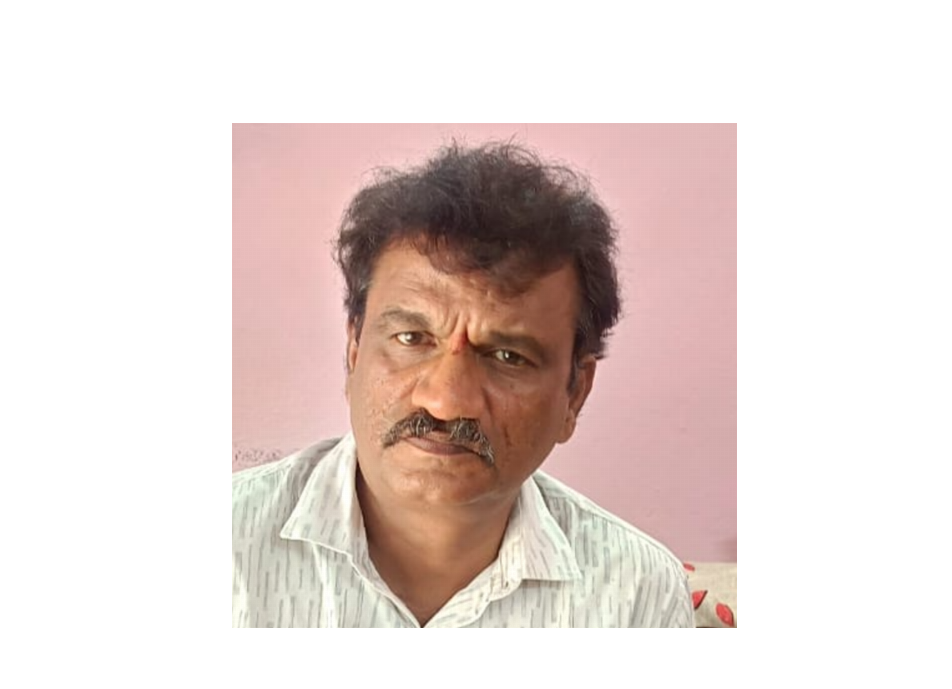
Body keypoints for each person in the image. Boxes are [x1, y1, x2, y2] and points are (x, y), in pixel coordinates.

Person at [232, 142, 694, 629]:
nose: (446, 401)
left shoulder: (637, 593)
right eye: (412, 338)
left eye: (507, 357)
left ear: (574, 394)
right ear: (354, 352)